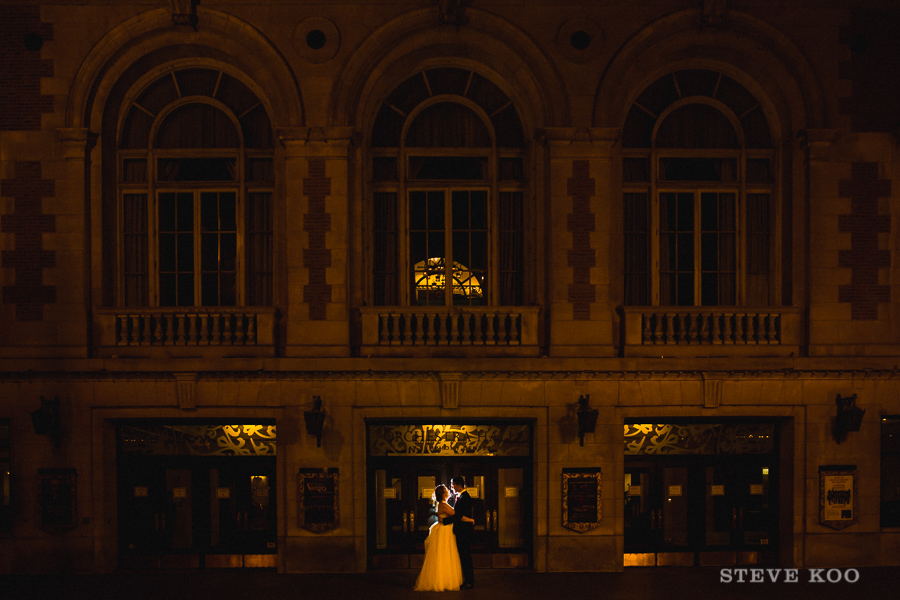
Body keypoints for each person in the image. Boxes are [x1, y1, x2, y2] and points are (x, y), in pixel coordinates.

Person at [414, 484, 473, 592]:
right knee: (446, 554)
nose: (449, 490)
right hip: (445, 531)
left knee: (443, 554)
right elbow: (457, 516)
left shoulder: (442, 504)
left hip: (444, 530)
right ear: (443, 494)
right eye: (446, 490)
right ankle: (445, 580)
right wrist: (470, 520)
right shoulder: (444, 505)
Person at [447, 476, 475, 589]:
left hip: (464, 533)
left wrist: (443, 521)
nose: (452, 487)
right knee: (464, 556)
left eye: (453, 484)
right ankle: (467, 579)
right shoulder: (462, 496)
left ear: (459, 485)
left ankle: (469, 581)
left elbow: (459, 516)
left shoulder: (465, 497)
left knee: (465, 556)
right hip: (462, 532)